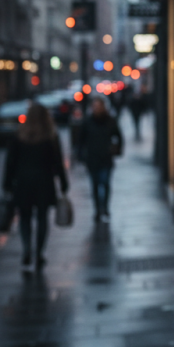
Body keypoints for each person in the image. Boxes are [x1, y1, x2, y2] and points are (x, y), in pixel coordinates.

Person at [2, 103, 68, 270]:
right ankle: (39, 253)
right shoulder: (50, 136)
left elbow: (10, 162)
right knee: (42, 218)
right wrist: (63, 182)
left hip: (23, 183)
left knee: (24, 217)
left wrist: (7, 184)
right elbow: (58, 162)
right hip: (44, 183)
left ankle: (27, 249)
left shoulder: (19, 136)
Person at [79, 98, 123, 222]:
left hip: (105, 159)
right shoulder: (87, 122)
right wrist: (81, 156)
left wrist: (116, 150)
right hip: (92, 160)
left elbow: (118, 136)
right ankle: (98, 210)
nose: (96, 109)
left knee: (105, 183)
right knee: (95, 185)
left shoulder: (110, 121)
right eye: (95, 106)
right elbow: (81, 141)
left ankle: (105, 207)